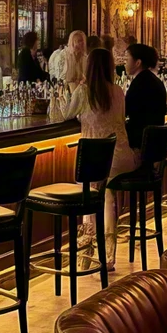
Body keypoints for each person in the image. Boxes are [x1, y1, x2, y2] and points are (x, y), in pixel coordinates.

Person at [60, 48, 136, 269]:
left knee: (91, 190)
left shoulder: (84, 92)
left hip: (97, 160)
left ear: (89, 67)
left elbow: (66, 114)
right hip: (123, 156)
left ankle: (90, 252)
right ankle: (106, 255)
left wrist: (66, 98)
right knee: (106, 194)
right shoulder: (118, 91)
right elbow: (118, 118)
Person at [124, 43, 167, 151]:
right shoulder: (156, 80)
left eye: (127, 59)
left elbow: (125, 110)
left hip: (140, 144)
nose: (124, 63)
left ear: (138, 63)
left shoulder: (139, 83)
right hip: (156, 143)